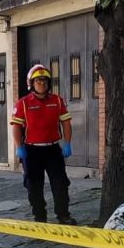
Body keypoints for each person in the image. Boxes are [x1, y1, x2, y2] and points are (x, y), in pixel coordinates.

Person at [11, 63, 77, 225]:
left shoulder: (57, 101)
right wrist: (19, 147)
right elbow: (16, 127)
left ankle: (63, 215)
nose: (42, 84)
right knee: (34, 186)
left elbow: (66, 123)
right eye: (38, 81)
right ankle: (40, 217)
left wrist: (67, 143)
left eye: (45, 81)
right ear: (31, 83)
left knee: (61, 183)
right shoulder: (23, 103)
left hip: (53, 150)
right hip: (32, 151)